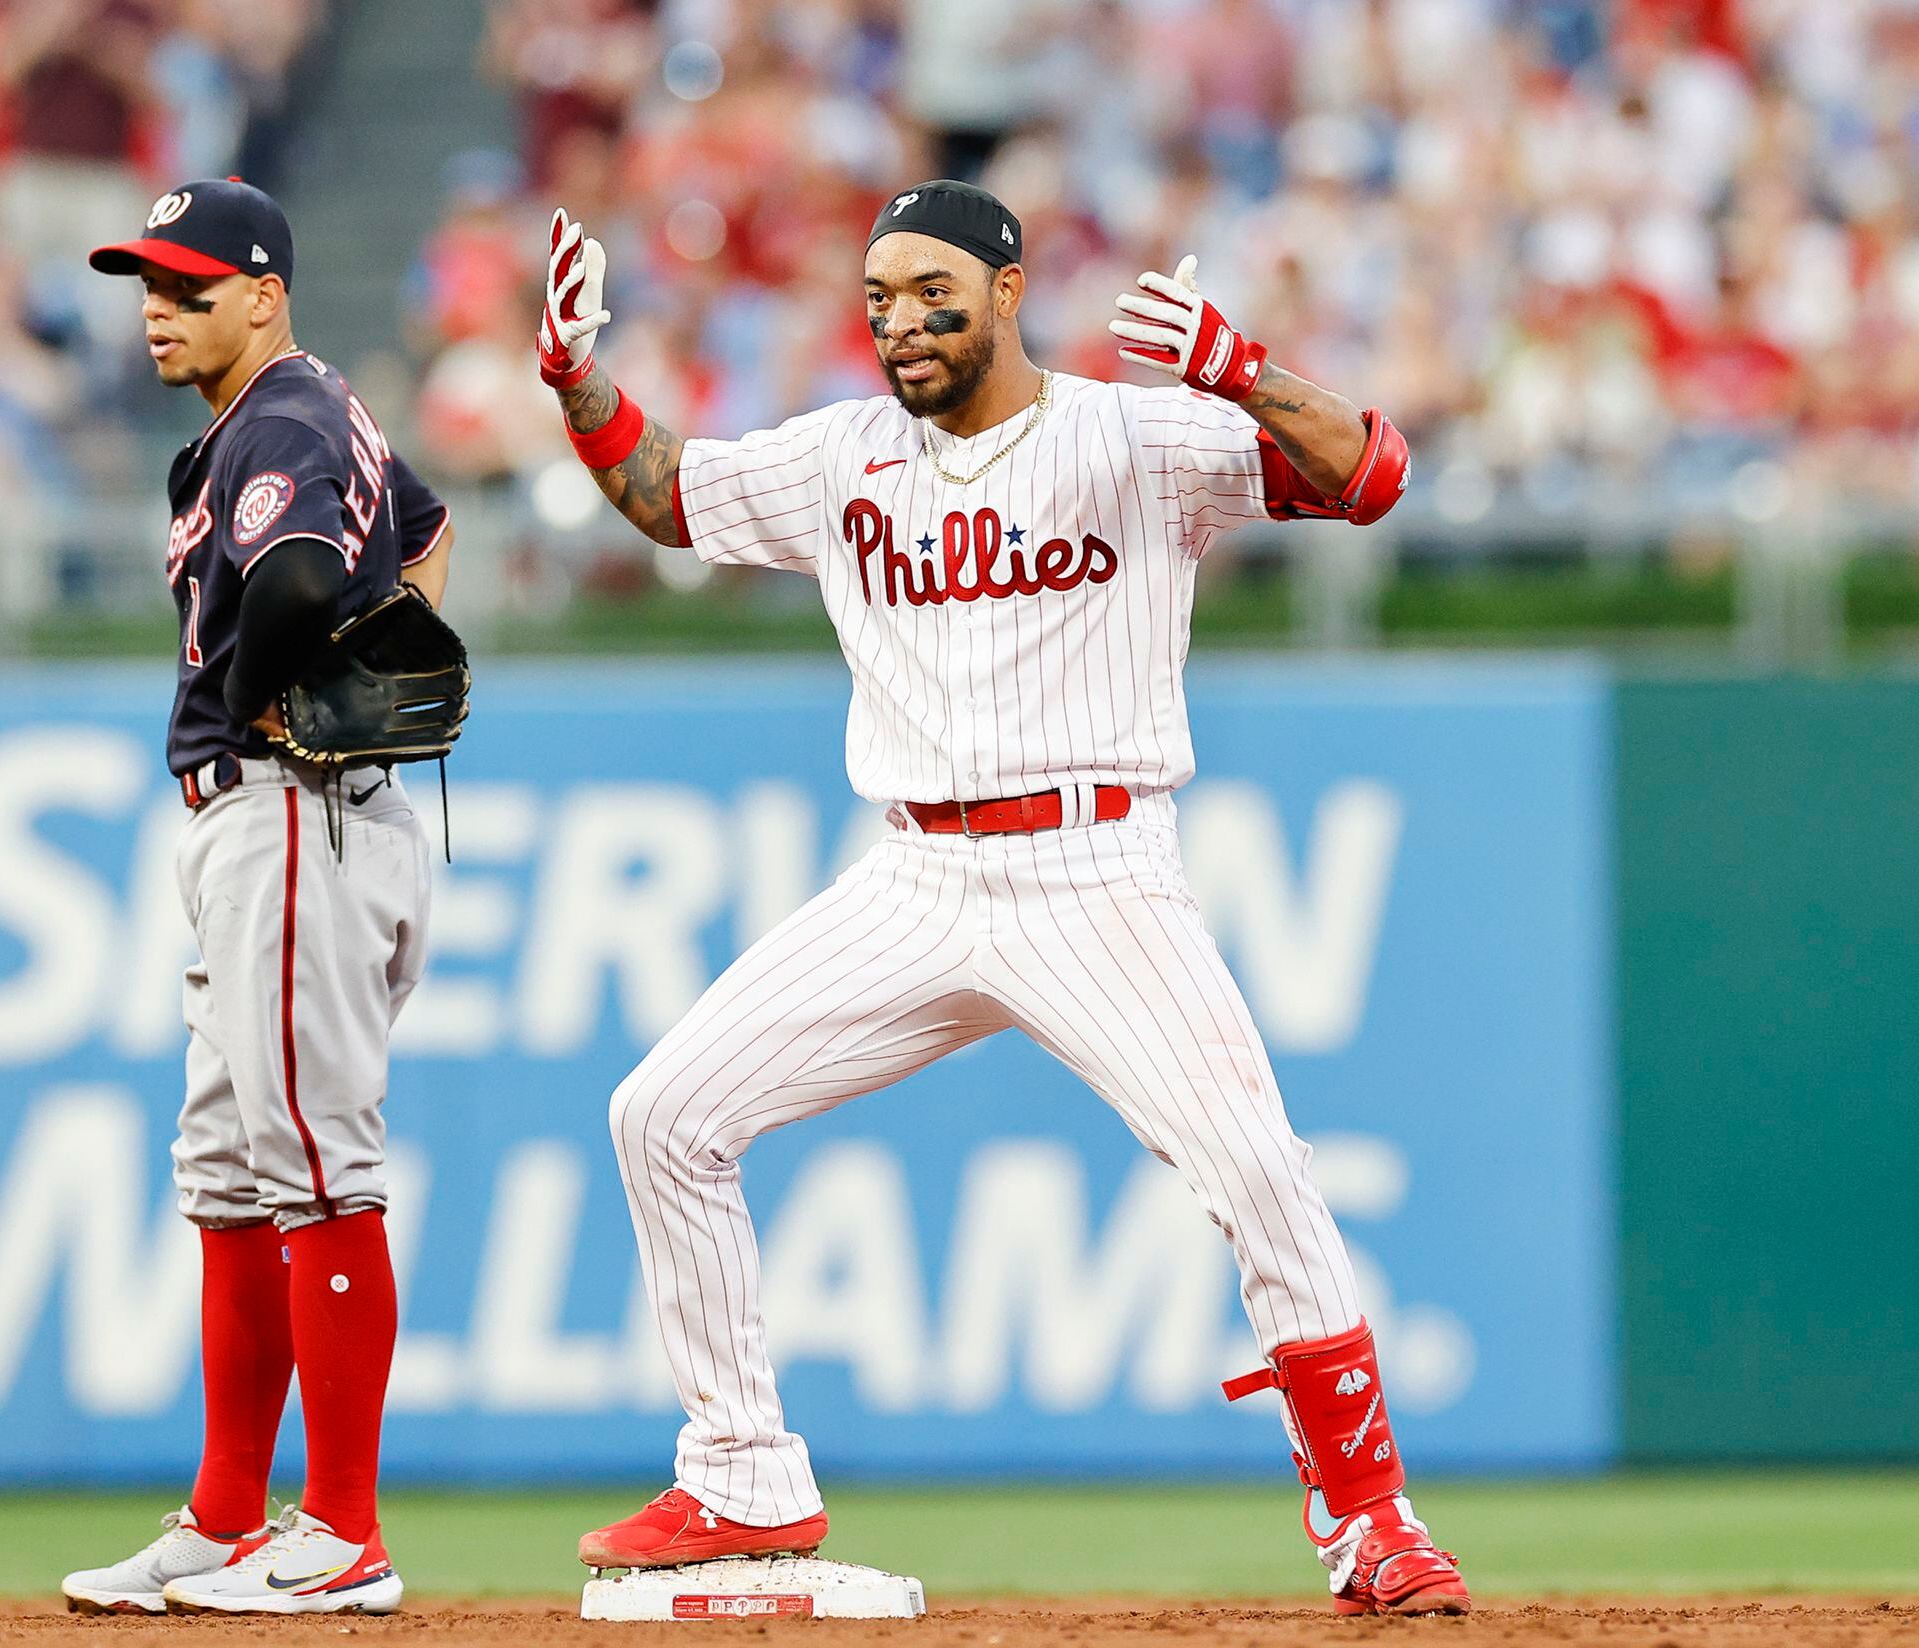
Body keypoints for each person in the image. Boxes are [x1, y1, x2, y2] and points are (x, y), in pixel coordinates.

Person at [537, 179, 1468, 1618]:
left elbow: (1372, 476)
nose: (903, 323)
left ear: (1010, 291)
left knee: (1258, 1170)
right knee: (662, 1113)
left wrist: (1242, 372)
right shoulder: (843, 454)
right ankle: (742, 1473)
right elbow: (668, 496)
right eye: (880, 300)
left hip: (1096, 868)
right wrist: (577, 381)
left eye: (934, 292)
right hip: (916, 873)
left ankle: (1371, 1519)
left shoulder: (1131, 435)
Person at [58, 177, 451, 1618]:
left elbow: (289, 582)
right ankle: (228, 1518)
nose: (160, 311)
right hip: (275, 818)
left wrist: (262, 696)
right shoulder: (297, 412)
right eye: (149, 288)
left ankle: (342, 1530)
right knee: (230, 1173)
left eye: (191, 288)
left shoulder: (281, 415)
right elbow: (424, 529)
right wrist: (389, 639)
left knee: (314, 1164)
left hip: (292, 809)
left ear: (266, 293)